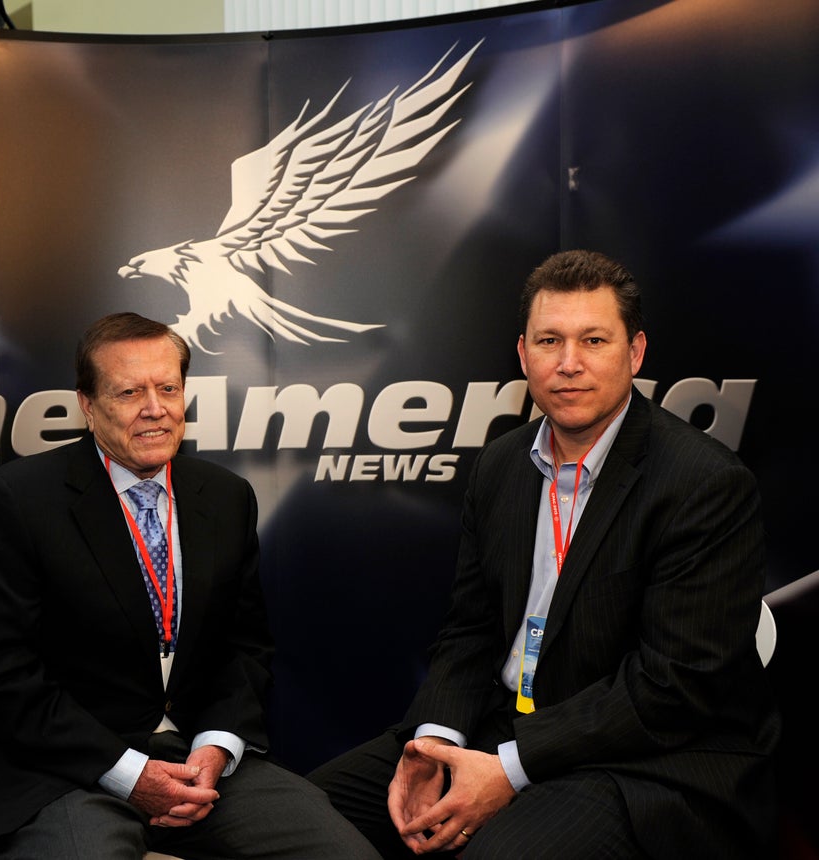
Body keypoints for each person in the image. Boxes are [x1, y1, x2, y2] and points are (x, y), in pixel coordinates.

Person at [308, 250, 780, 858]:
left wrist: (508, 767)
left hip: (645, 758)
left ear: (634, 353)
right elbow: (471, 631)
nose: (569, 364)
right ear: (523, 353)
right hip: (507, 725)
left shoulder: (703, 483)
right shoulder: (501, 466)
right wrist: (434, 741)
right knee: (307, 817)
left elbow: (673, 687)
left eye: (594, 340)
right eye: (549, 340)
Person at [0, 312, 380, 859]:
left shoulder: (225, 497)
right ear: (87, 403)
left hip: (197, 761)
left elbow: (244, 648)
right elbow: (2, 675)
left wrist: (216, 747)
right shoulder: (18, 500)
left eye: (168, 388)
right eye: (129, 392)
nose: (155, 408)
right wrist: (131, 773)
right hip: (61, 767)